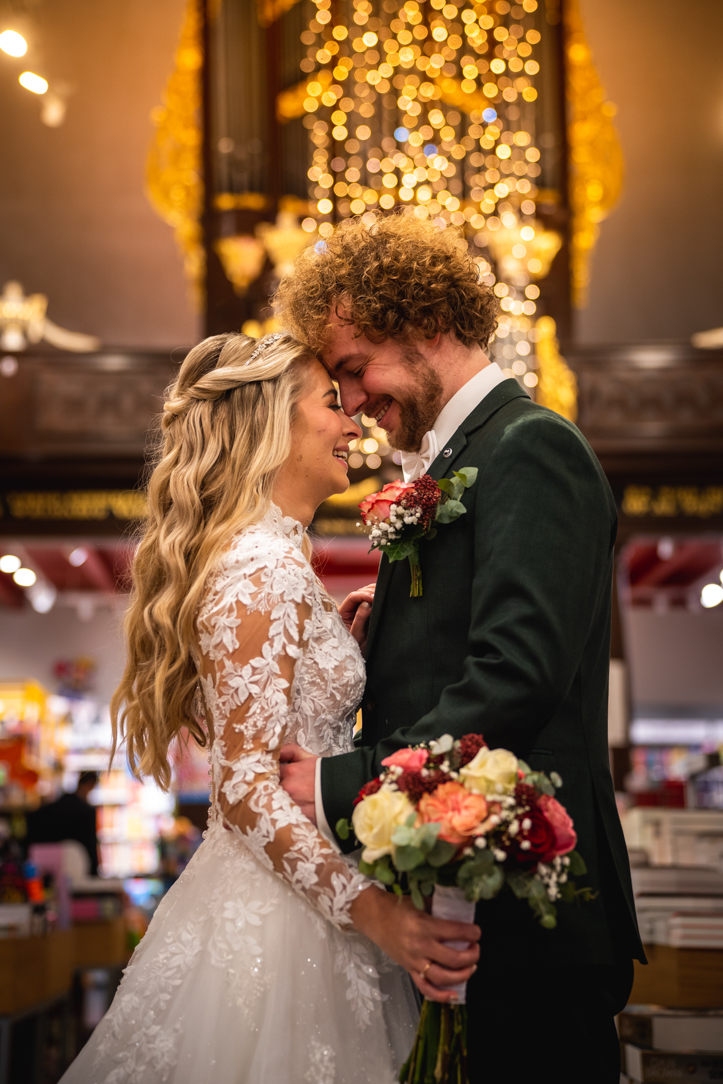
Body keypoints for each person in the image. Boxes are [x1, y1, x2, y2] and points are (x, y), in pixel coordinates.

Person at [275, 213, 646, 1084]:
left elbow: (514, 675)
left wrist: (337, 784)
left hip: (530, 912)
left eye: (355, 368)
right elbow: (453, 658)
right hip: (461, 897)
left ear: (429, 322)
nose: (352, 402)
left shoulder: (531, 447)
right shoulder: (457, 463)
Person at [59, 331, 479, 1084]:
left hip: (295, 891)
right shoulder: (262, 568)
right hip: (284, 922)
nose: (353, 421)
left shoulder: (272, 560)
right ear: (269, 426)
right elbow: (244, 789)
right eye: (330, 403)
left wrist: (340, 648)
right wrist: (377, 914)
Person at [26, 770, 99, 875]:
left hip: (45, 869)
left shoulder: (50, 808)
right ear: (90, 784)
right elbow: (91, 844)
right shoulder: (87, 812)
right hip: (77, 870)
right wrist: (94, 872)